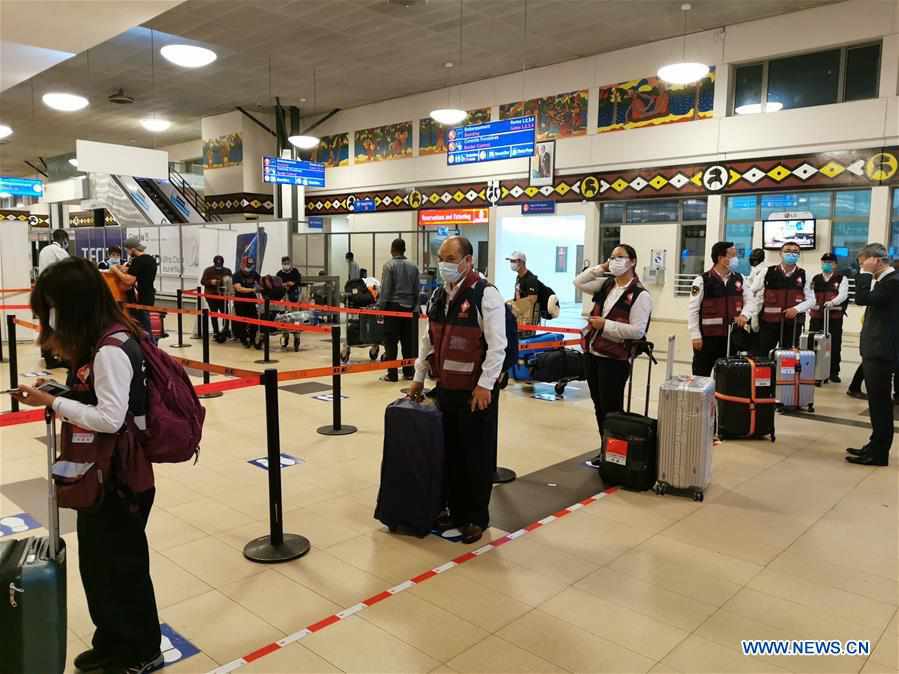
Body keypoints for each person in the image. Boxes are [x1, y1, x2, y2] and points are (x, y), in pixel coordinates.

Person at [12, 257, 162, 674]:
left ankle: (142, 649)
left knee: (123, 567)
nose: (50, 319)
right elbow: (98, 400)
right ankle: (111, 640)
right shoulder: (100, 341)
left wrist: (51, 401)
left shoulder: (111, 349)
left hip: (120, 477)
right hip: (102, 474)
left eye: (53, 308)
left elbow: (110, 419)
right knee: (99, 564)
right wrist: (61, 390)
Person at [408, 236, 506, 544]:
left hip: (475, 393)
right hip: (446, 388)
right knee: (449, 453)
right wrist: (418, 376)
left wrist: (485, 385)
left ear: (467, 261)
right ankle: (454, 508)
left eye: (450, 258)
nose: (444, 264)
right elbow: (428, 341)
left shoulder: (485, 294)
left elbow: (497, 346)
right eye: (441, 257)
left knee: (475, 455)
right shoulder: (439, 294)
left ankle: (476, 517)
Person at [574, 245, 653, 468]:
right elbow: (579, 282)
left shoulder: (640, 295)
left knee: (611, 407)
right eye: (612, 257)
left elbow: (637, 331)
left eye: (620, 257)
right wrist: (602, 267)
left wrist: (605, 325)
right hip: (593, 353)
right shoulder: (607, 285)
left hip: (615, 359)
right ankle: (605, 447)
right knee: (598, 404)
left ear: (633, 261)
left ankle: (617, 452)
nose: (615, 261)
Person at [846, 243, 899, 466]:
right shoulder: (887, 281)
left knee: (880, 403)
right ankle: (874, 444)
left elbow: (862, 298)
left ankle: (879, 453)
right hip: (877, 348)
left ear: (875, 260)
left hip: (882, 350)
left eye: (862, 263)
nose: (861, 267)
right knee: (878, 402)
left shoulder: (893, 282)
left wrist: (865, 274)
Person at [687, 241, 755, 376]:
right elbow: (693, 310)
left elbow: (751, 301)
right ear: (720, 258)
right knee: (701, 375)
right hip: (707, 339)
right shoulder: (702, 280)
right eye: (732, 255)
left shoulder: (739, 278)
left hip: (731, 338)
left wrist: (744, 315)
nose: (736, 259)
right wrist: (695, 336)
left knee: (728, 377)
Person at [752, 242, 815, 356]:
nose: (792, 254)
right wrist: (754, 316)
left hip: (793, 324)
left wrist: (796, 309)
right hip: (768, 323)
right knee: (763, 356)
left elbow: (812, 300)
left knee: (788, 358)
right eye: (788, 251)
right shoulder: (767, 272)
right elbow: (753, 291)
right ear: (780, 254)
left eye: (795, 252)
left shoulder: (805, 275)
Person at [377, 238, 420, 382]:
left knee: (391, 342)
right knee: (408, 342)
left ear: (392, 249)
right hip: (409, 309)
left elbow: (386, 290)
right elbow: (417, 290)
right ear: (404, 249)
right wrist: (415, 308)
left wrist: (380, 308)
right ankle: (409, 372)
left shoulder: (389, 266)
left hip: (393, 308)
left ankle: (392, 373)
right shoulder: (414, 267)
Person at [809, 252, 849, 382]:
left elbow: (843, 295)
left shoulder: (841, 279)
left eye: (830, 262)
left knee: (834, 344)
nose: (827, 265)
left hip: (834, 317)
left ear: (835, 264)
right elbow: (809, 294)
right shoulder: (815, 279)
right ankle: (814, 371)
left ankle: (833, 372)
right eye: (825, 262)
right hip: (816, 316)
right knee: (814, 343)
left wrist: (832, 303)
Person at [111, 237, 157, 339]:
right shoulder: (150, 259)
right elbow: (138, 271)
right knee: (145, 327)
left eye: (127, 250)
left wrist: (115, 270)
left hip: (139, 299)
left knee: (143, 328)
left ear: (132, 249)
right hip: (149, 296)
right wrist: (122, 268)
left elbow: (129, 280)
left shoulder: (138, 260)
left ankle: (149, 349)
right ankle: (151, 347)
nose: (127, 252)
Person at [37, 229, 71, 368]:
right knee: (57, 324)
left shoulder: (44, 250)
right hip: (55, 294)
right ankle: (59, 357)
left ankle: (48, 356)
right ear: (64, 240)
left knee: (46, 325)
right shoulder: (60, 251)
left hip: (43, 292)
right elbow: (71, 268)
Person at [200, 255, 232, 342]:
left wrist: (229, 290)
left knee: (225, 314)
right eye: (217, 263)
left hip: (223, 296)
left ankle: (225, 330)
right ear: (214, 263)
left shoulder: (227, 271)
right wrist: (210, 282)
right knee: (214, 314)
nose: (219, 265)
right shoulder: (208, 270)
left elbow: (230, 282)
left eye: (220, 263)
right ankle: (215, 332)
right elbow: (202, 281)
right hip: (211, 296)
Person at [232, 256, 261, 348]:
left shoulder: (253, 273)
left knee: (254, 320)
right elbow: (239, 288)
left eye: (250, 265)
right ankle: (244, 340)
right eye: (247, 265)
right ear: (242, 264)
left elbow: (261, 282)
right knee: (242, 322)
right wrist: (253, 290)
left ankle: (252, 339)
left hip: (251, 301)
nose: (249, 267)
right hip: (240, 301)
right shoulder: (236, 275)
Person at [746, 248, 766, 354]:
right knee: (752, 342)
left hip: (758, 311)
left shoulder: (762, 271)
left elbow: (757, 295)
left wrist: (754, 316)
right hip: (752, 310)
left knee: (757, 344)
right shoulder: (754, 270)